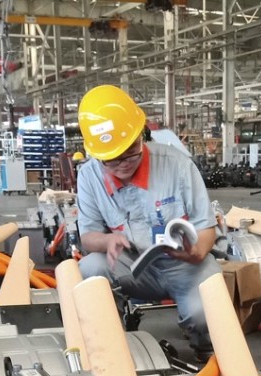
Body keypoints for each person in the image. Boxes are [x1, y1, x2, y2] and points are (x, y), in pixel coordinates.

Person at [75, 84, 220, 360]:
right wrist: (107, 240)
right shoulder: (89, 177)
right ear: (97, 155)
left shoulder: (177, 165)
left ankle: (207, 350)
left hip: (185, 265)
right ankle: (111, 350)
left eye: (131, 151)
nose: (124, 164)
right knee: (89, 269)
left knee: (207, 309)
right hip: (132, 267)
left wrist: (196, 251)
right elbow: (88, 236)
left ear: (141, 135)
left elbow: (206, 227)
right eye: (112, 160)